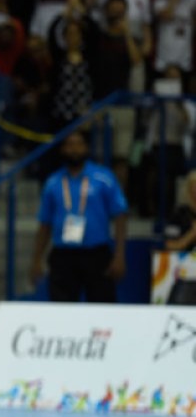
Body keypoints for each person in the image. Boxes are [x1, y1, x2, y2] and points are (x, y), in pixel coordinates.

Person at [31, 130, 130, 303]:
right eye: (69, 145)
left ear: (86, 148)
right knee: (62, 311)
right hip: (63, 255)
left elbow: (120, 216)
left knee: (102, 310)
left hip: (97, 254)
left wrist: (120, 255)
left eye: (79, 144)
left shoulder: (103, 177)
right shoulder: (53, 182)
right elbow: (45, 223)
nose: (74, 149)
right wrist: (36, 259)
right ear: (62, 149)